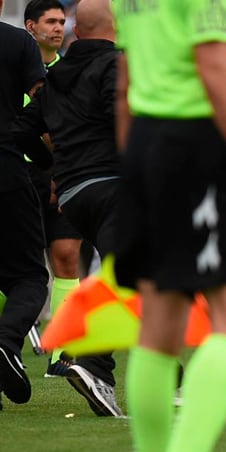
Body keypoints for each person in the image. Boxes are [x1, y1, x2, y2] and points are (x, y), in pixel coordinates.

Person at [112, 0, 226, 448]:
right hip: (207, 144)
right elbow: (212, 65)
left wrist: (136, 169)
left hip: (147, 140)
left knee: (159, 327)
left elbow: (125, 84)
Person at [12, 0, 122, 416]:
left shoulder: (53, 77)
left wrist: (54, 167)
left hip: (73, 195)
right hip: (114, 185)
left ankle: (104, 367)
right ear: (113, 26)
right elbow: (120, 115)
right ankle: (93, 364)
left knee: (124, 269)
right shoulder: (117, 65)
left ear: (76, 29)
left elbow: (22, 131)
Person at [24, 0, 85, 379]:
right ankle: (7, 343)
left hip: (65, 175)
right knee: (22, 270)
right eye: (50, 21)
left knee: (66, 257)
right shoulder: (14, 67)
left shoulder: (73, 72)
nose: (58, 27)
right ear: (31, 26)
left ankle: (61, 355)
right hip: (23, 177)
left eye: (62, 21)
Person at [0, 0, 50, 409]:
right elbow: (43, 100)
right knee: (31, 277)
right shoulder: (18, 42)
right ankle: (6, 343)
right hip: (5, 169)